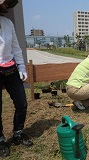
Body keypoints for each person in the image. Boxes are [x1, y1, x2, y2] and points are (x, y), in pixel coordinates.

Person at [0, 0, 33, 157]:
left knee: (22, 103)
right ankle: (0, 140)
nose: (6, 6)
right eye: (4, 3)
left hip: (10, 68)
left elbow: (15, 47)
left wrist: (21, 67)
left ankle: (18, 133)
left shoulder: (7, 23)